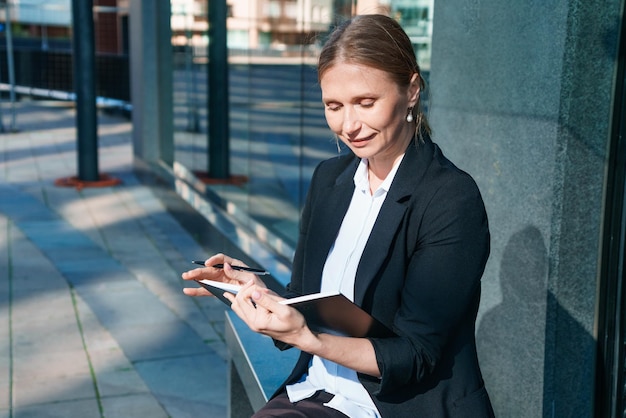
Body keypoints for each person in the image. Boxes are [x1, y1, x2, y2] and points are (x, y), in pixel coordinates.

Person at [182, 14, 495, 418]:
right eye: (334, 106)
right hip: (314, 392)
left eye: (366, 102)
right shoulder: (329, 179)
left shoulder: (449, 198)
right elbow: (310, 301)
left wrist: (306, 338)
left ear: (412, 90)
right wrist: (254, 287)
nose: (349, 125)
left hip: (396, 407)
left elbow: (415, 355)